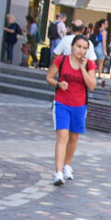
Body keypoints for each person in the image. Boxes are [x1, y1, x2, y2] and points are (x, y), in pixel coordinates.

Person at [45, 34, 97, 187]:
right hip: (61, 103)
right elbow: (49, 77)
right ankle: (58, 173)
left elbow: (92, 85)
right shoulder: (62, 60)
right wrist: (58, 84)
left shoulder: (89, 65)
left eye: (84, 48)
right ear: (72, 46)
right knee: (62, 136)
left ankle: (67, 165)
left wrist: (82, 68)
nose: (81, 50)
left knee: (73, 138)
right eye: (79, 46)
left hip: (80, 105)